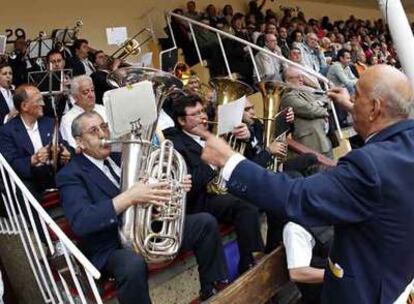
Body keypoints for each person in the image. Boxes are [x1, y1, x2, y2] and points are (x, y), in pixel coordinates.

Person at [197, 64, 414, 303]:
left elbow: (296, 196)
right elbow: (386, 127)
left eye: (357, 96)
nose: (352, 99)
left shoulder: (368, 167)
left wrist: (229, 162)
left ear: (374, 108)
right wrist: (354, 108)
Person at [56, 111, 228, 304]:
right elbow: (82, 221)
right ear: (79, 142)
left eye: (104, 127)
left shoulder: (118, 157)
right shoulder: (70, 174)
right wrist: (129, 198)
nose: (103, 134)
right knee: (132, 264)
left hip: (143, 229)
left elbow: (147, 194)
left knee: (204, 222)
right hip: (110, 246)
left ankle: (212, 290)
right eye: (94, 131)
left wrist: (174, 188)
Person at [165, 95, 265, 274]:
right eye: (194, 114)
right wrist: (213, 160)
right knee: (245, 204)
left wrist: (246, 138)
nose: (202, 117)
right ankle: (249, 261)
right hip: (201, 200)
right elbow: (191, 181)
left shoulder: (213, 132)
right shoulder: (176, 144)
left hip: (222, 191)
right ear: (181, 120)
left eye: (202, 111)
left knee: (258, 191)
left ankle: (269, 247)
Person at [0, 84, 70, 198]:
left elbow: (62, 144)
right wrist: (34, 159)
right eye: (38, 100)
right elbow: (11, 164)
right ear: (24, 106)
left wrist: (65, 153)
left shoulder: (49, 123)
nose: (43, 104)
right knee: (25, 190)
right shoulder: (7, 131)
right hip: (30, 179)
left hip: (55, 172)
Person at [281, 67, 333, 158]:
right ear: (288, 80)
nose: (301, 79)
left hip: (322, 137)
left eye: (302, 76)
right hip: (310, 141)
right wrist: (324, 110)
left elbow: (327, 100)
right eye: (297, 77)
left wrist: (317, 103)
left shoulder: (305, 91)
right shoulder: (287, 97)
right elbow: (309, 110)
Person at [60, 75, 106, 149]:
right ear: (75, 97)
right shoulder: (68, 119)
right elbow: (74, 148)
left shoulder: (103, 109)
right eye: (85, 92)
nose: (91, 95)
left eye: (92, 90)